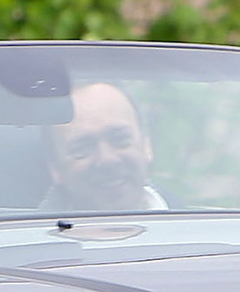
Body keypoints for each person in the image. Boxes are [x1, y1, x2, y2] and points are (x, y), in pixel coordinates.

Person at [37, 82, 166, 211]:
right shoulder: (28, 230)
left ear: (146, 145)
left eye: (119, 139)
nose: (107, 159)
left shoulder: (184, 222)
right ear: (55, 168)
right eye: (83, 148)